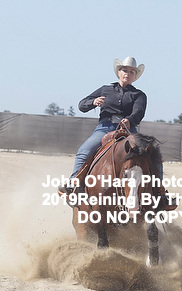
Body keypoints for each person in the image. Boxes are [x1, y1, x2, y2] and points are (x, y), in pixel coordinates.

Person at [59, 56, 175, 210]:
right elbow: (82, 105)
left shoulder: (139, 95)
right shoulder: (105, 89)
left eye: (132, 72)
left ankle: (160, 193)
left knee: (153, 154)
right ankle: (74, 184)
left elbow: (139, 112)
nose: (128, 73)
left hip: (129, 130)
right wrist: (93, 102)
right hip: (105, 128)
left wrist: (130, 120)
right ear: (119, 72)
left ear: (135, 76)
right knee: (84, 151)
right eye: (125, 70)